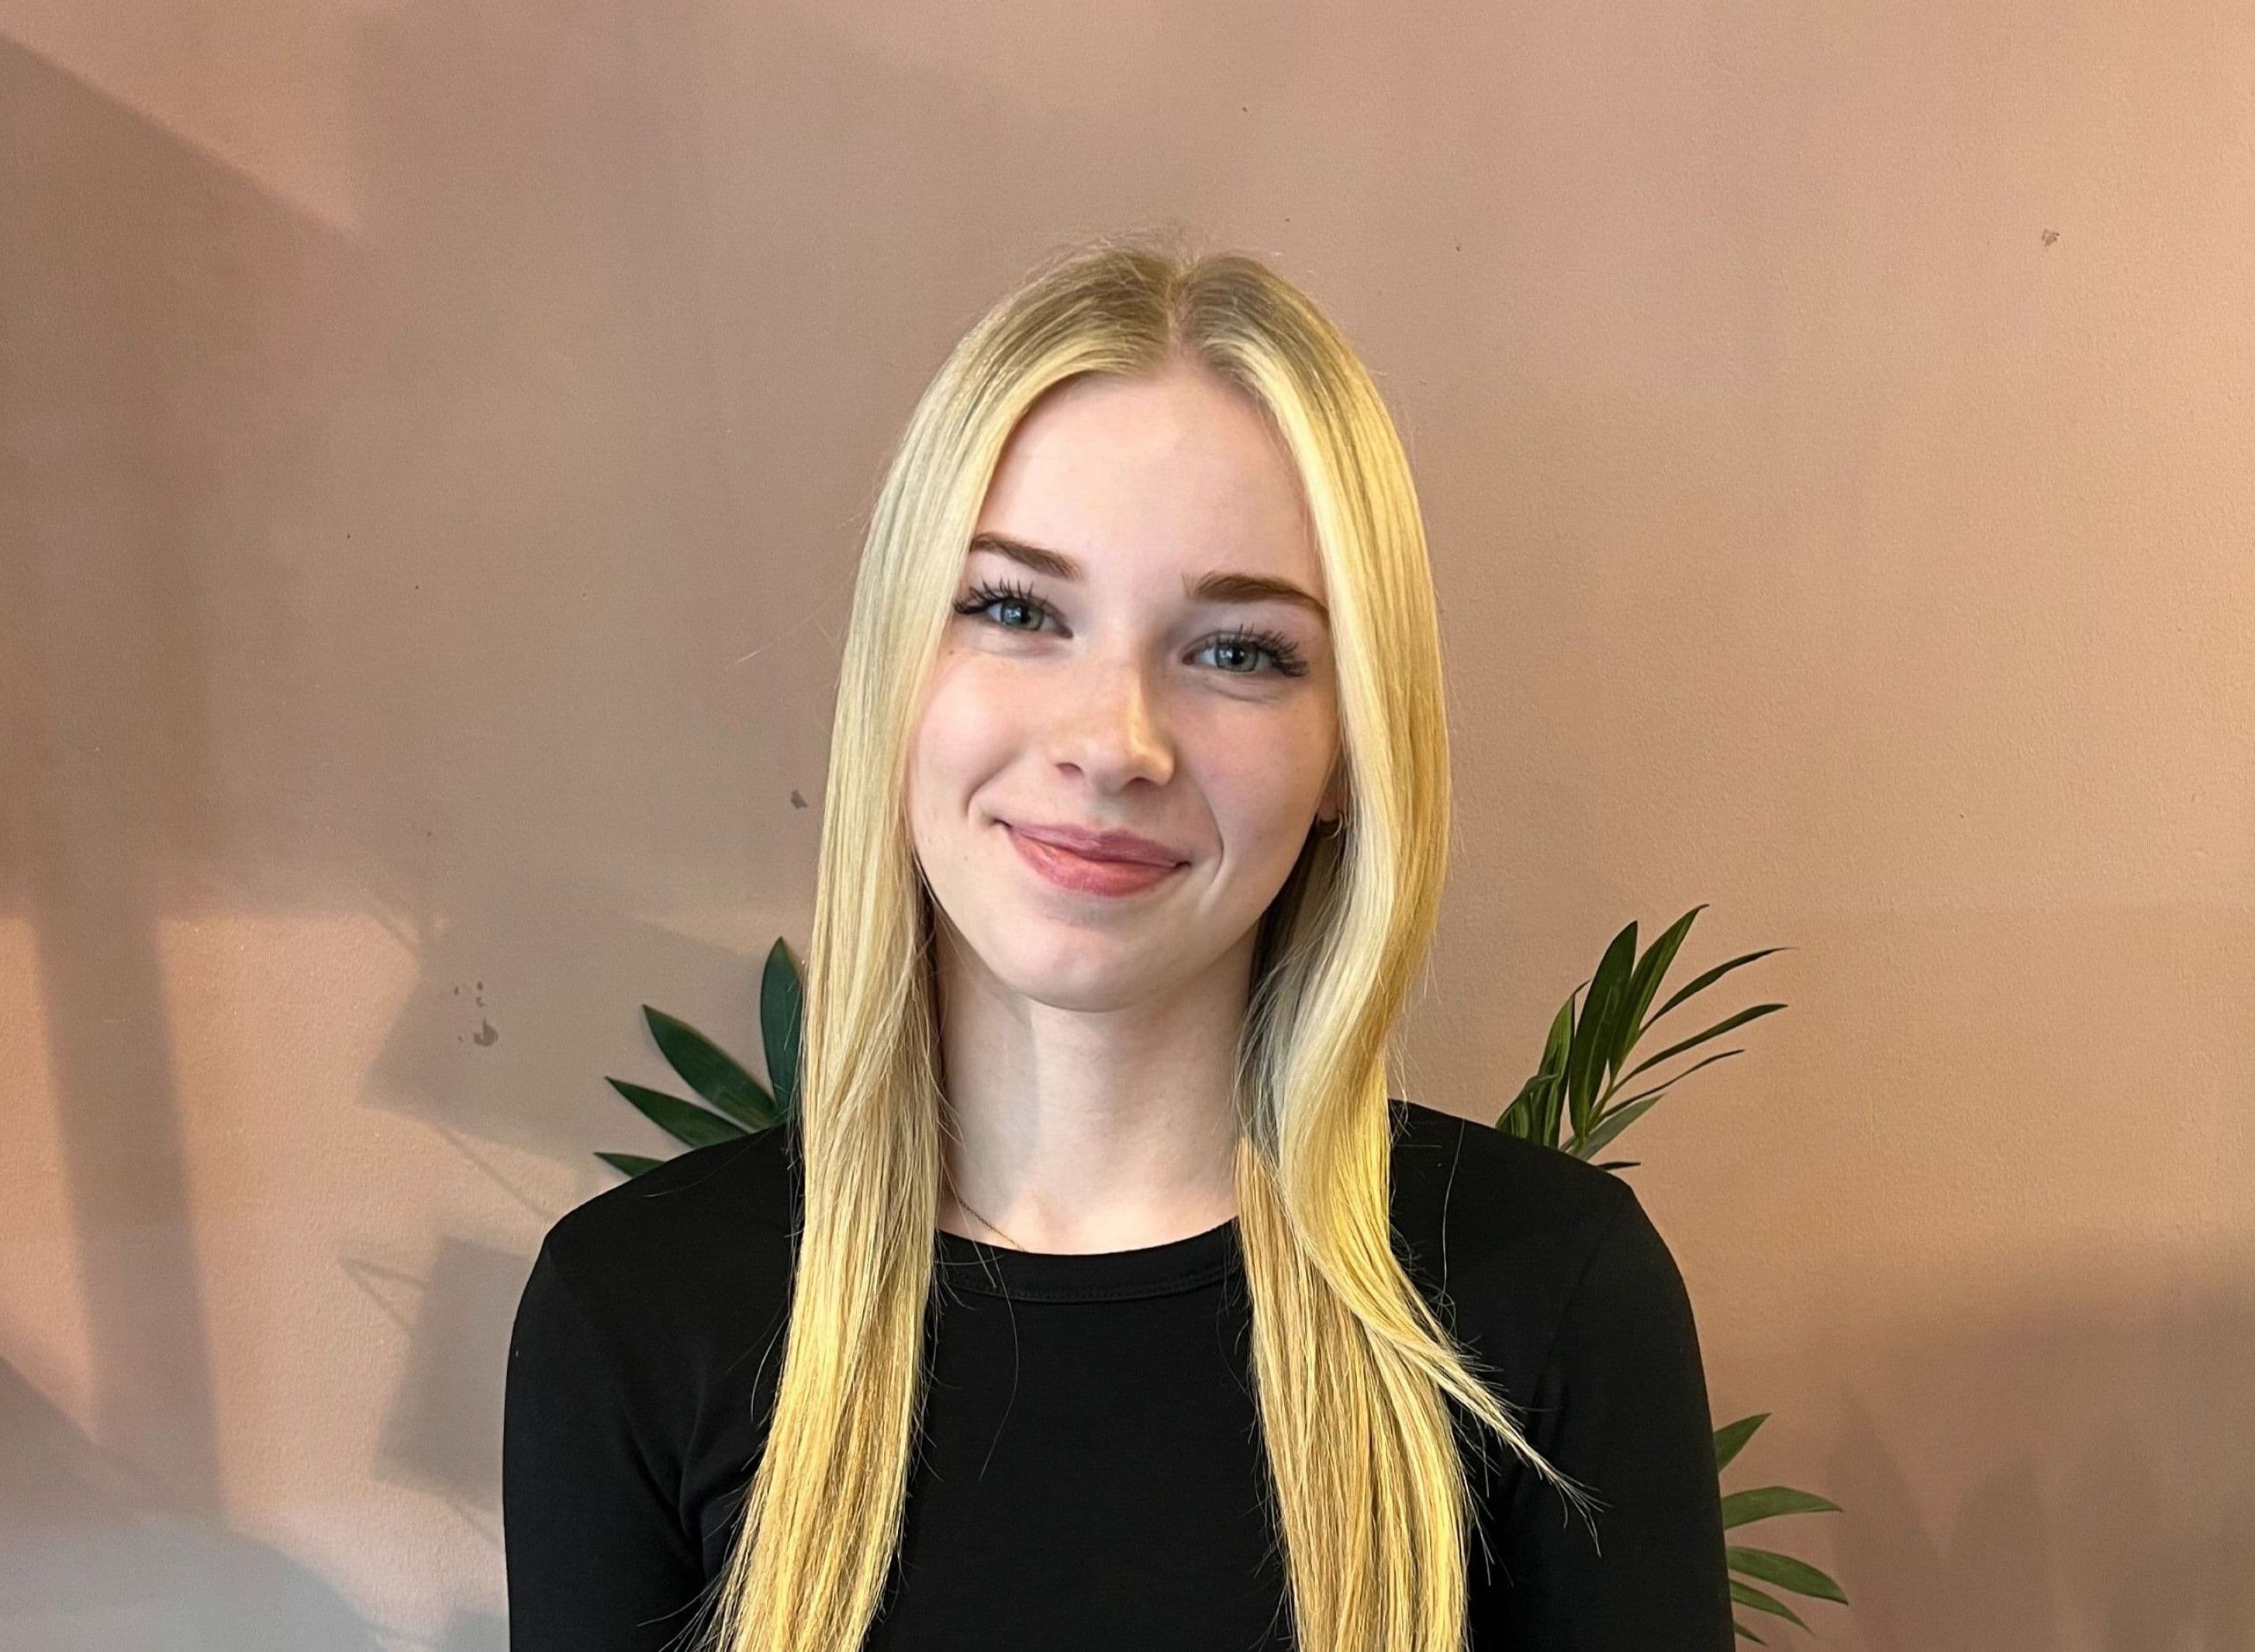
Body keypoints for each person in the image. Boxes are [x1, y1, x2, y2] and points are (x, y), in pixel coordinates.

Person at [502, 236, 1735, 1652]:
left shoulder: (1552, 1298)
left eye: (1239, 651)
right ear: (898, 670)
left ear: (1349, 753)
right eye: (1016, 610)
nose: (1113, 743)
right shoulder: (635, 1312)